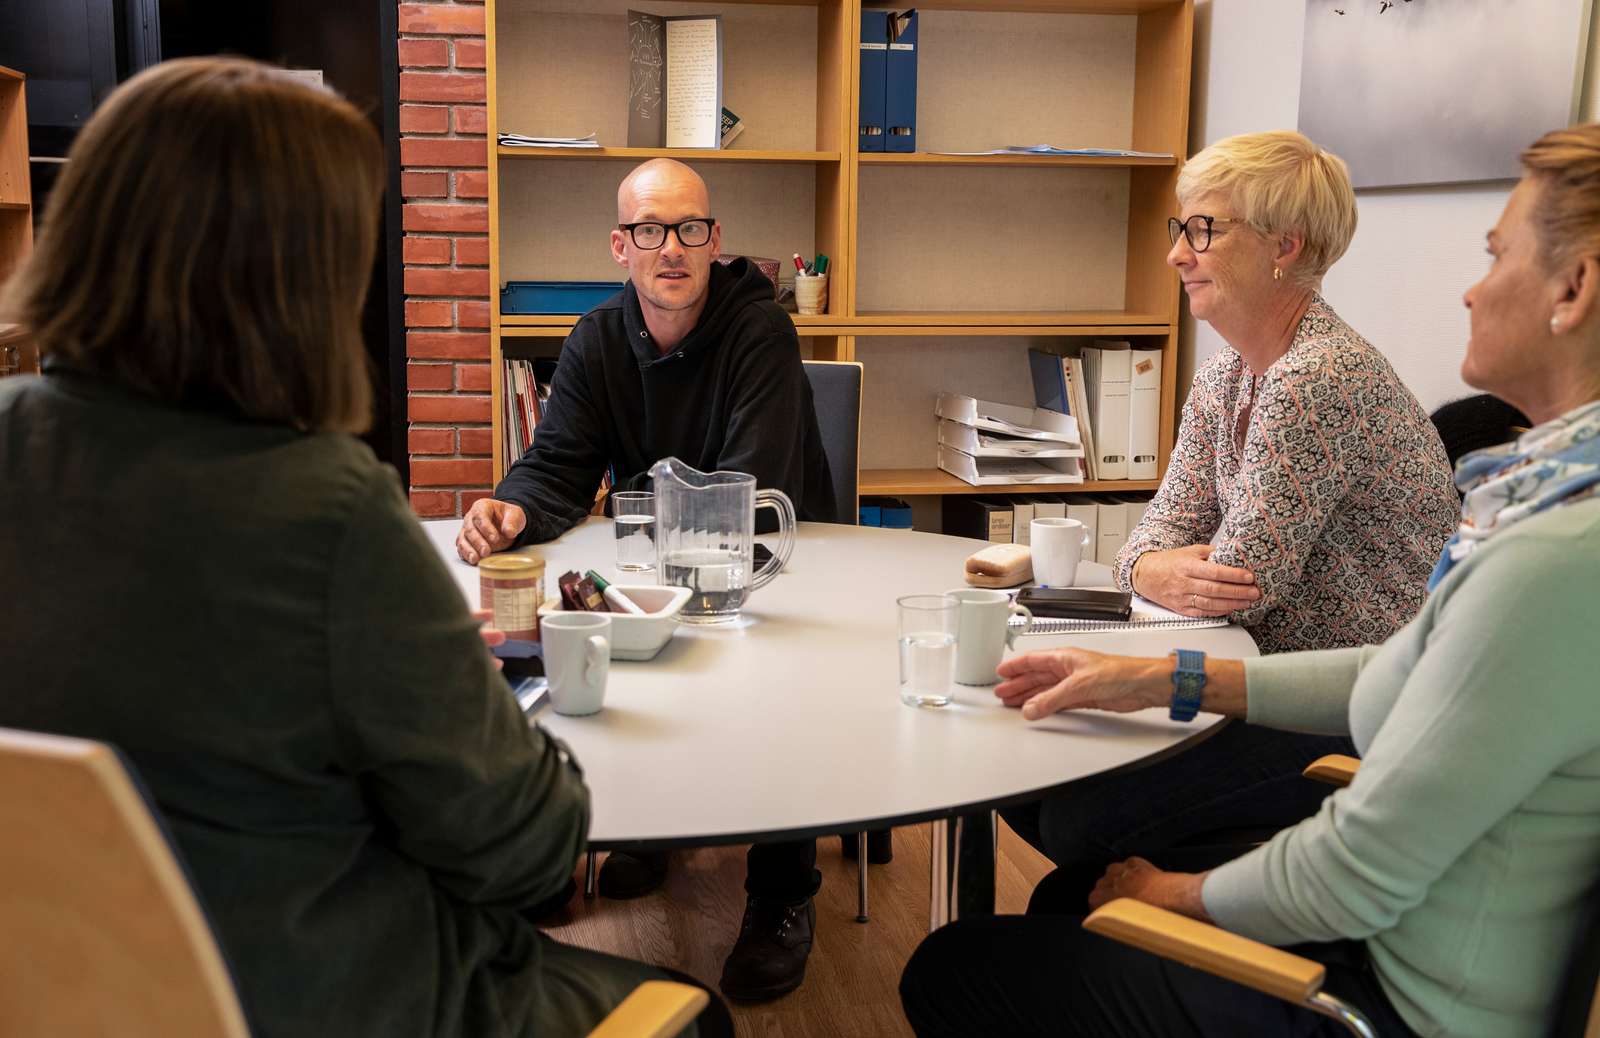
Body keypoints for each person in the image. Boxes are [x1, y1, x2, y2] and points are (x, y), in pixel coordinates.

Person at [0, 58, 730, 1038]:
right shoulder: (326, 510)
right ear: (292, 277)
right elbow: (527, 852)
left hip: (60, 991)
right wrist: (437, 682)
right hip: (322, 997)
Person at [901, 123, 1600, 1038]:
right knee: (1065, 872)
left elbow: (1246, 591)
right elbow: (1172, 549)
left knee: (971, 952)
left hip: (1379, 989)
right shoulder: (1542, 505)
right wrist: (1160, 667)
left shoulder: (1541, 552)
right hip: (1356, 814)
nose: (1469, 288)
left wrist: (1176, 895)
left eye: (1492, 253)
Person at [1002, 131, 1459, 876]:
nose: (1178, 253)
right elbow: (1151, 539)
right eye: (1180, 228)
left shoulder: (1318, 377)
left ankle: (1147, 930)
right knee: (1026, 768)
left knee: (1074, 812)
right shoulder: (1225, 377)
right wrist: (1147, 565)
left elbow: (1241, 587)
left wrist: (1152, 564)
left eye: (1203, 230)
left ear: (1285, 246)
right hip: (1248, 680)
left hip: (1348, 710)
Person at [455, 158, 837, 1003]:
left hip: (780, 563)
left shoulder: (759, 330)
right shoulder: (596, 338)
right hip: (665, 552)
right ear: (620, 246)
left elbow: (748, 486)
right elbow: (557, 466)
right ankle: (657, 824)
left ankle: (782, 893)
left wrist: (641, 530)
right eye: (652, 232)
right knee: (603, 642)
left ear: (715, 240)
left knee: (777, 690)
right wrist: (514, 509)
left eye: (690, 228)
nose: (674, 248)